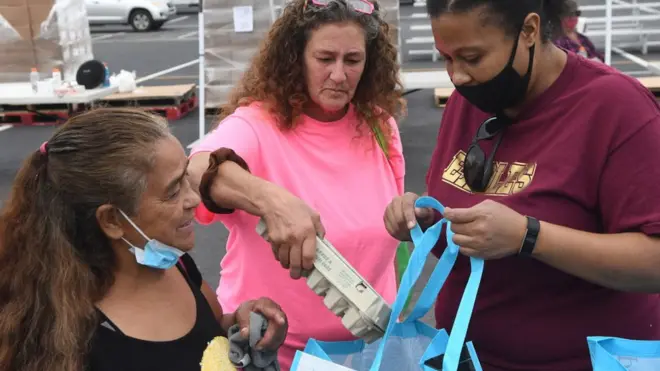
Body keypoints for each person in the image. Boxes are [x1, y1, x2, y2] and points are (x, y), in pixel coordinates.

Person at [384, 0, 660, 370]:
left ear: (529, 31)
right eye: (446, 58)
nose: (458, 76)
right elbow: (468, 229)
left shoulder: (616, 109)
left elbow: (653, 261)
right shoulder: (468, 103)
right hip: (465, 357)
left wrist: (528, 237)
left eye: (472, 57)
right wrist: (428, 223)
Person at [187, 0, 405, 369]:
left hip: (371, 351)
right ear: (295, 57)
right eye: (325, 58)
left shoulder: (379, 125)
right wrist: (272, 200)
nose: (339, 74)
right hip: (276, 356)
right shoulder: (256, 124)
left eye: (352, 60)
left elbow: (387, 220)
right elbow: (196, 169)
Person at [0, 108, 288, 371]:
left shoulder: (179, 267)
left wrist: (242, 325)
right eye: (173, 190)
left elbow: (209, 336)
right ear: (112, 220)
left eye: (187, 178)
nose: (193, 198)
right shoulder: (70, 340)